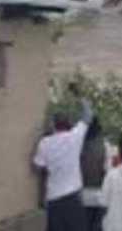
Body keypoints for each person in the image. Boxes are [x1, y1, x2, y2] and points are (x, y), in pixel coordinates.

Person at [34, 95, 93, 231]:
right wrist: (81, 98)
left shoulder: (45, 143)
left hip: (53, 198)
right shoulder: (75, 136)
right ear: (69, 123)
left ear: (53, 125)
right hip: (73, 197)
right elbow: (88, 115)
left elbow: (38, 166)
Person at [80, 118, 108, 231]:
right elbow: (106, 170)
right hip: (99, 192)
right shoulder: (104, 146)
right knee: (97, 226)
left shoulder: (80, 144)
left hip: (81, 192)